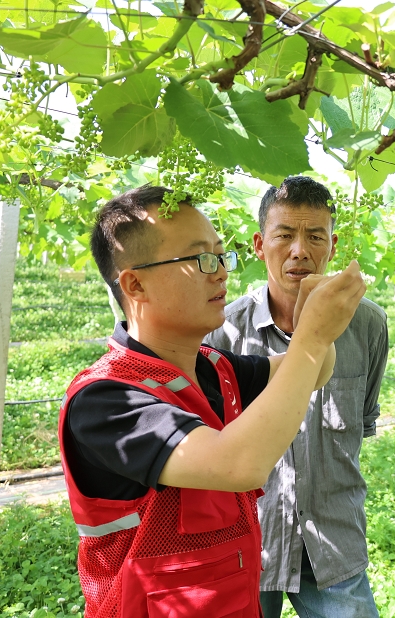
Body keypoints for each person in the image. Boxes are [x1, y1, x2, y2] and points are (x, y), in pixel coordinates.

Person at [58, 185, 365, 618]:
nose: (220, 273)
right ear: (135, 283)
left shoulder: (215, 368)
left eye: (221, 256)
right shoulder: (106, 398)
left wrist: (305, 317)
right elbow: (238, 465)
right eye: (199, 258)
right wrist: (313, 334)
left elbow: (314, 371)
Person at [205, 176, 388, 618]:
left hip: (333, 541)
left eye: (315, 236)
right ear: (258, 243)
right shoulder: (223, 330)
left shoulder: (367, 324)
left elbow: (363, 418)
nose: (299, 250)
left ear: (333, 244)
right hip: (246, 543)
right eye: (284, 235)